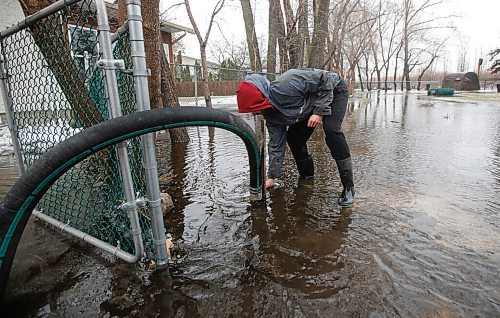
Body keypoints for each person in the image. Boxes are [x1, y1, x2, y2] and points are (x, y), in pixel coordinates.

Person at [236, 68, 355, 207]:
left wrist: (319, 112)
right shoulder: (271, 117)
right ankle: (307, 177)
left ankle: (348, 188)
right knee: (293, 138)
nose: (254, 115)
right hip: (310, 106)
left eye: (253, 110)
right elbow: (276, 144)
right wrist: (272, 177)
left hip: (333, 90)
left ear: (260, 99)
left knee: (332, 131)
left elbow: (326, 78)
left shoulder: (288, 83)